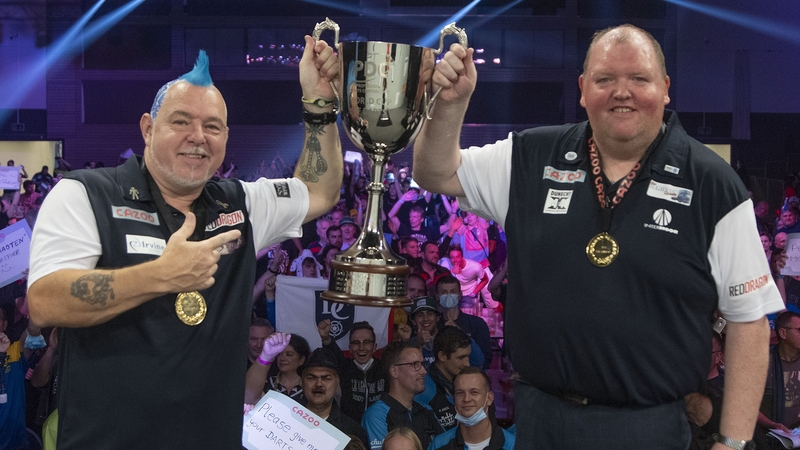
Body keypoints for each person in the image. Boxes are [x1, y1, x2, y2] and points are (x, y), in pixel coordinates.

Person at [412, 24, 783, 449]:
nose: (621, 92)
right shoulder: (531, 157)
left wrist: (733, 442)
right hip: (541, 419)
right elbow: (434, 172)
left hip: (650, 427)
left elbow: (749, 321)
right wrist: (450, 106)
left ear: (664, 88)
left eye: (638, 79)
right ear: (584, 89)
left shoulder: (712, 183)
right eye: (605, 79)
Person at [27, 38, 342, 450]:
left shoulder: (242, 204)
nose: (198, 137)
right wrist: (160, 275)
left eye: (212, 126)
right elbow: (46, 301)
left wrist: (319, 102)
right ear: (147, 128)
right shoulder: (85, 194)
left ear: (226, 137)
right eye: (181, 121)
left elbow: (319, 191)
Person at [362, 341, 442, 450]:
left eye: (422, 364)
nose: (424, 371)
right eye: (415, 365)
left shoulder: (426, 410)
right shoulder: (376, 415)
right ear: (394, 371)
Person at [318, 319, 390, 423]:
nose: (361, 347)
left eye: (366, 342)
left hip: (379, 428)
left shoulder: (385, 369)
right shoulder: (344, 368)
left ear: (374, 347)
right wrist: (326, 338)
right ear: (350, 348)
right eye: (356, 343)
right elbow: (334, 355)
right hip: (350, 431)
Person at [429, 367, 515, 450]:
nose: (466, 399)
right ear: (454, 398)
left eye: (474, 392)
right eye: (460, 393)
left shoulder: (513, 446)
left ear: (489, 398)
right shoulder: (439, 445)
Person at [300, 348, 369, 448]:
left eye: (326, 378)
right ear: (302, 382)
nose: (318, 384)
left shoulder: (353, 430)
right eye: (311, 378)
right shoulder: (285, 421)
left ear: (337, 384)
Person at [414, 326, 472, 431]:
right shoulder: (424, 390)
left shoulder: (461, 382)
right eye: (461, 358)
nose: (467, 364)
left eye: (468, 357)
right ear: (442, 356)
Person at [436, 275, 493, 369]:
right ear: (437, 296)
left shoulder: (477, 324)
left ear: (459, 295)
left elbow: (486, 361)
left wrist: (460, 333)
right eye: (444, 292)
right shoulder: (434, 324)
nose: (449, 295)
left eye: (453, 292)